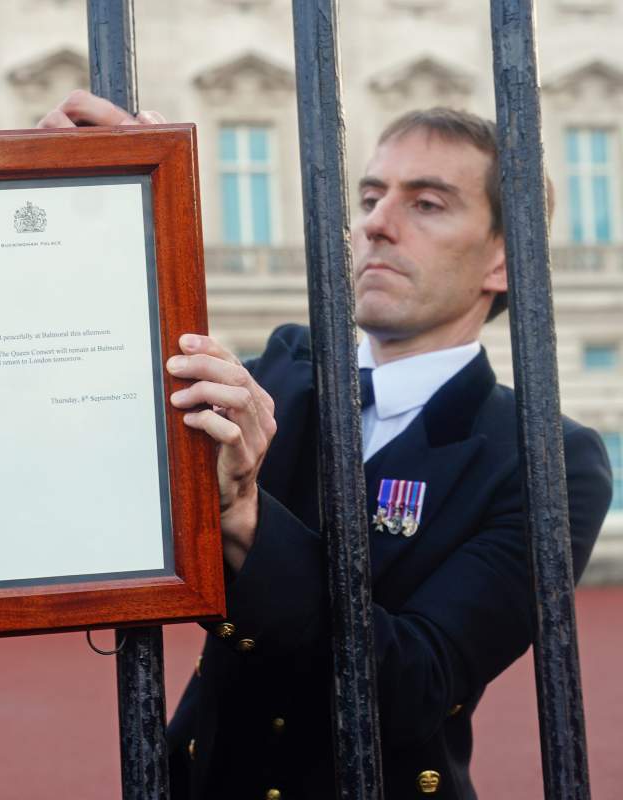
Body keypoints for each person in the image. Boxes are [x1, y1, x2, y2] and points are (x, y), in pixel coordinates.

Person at [43, 93, 613, 798]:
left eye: (426, 204)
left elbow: (414, 683)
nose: (376, 223)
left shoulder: (547, 456)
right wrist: (106, 202)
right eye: (371, 196)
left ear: (504, 259)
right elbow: (95, 430)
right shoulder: (284, 368)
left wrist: (245, 515)